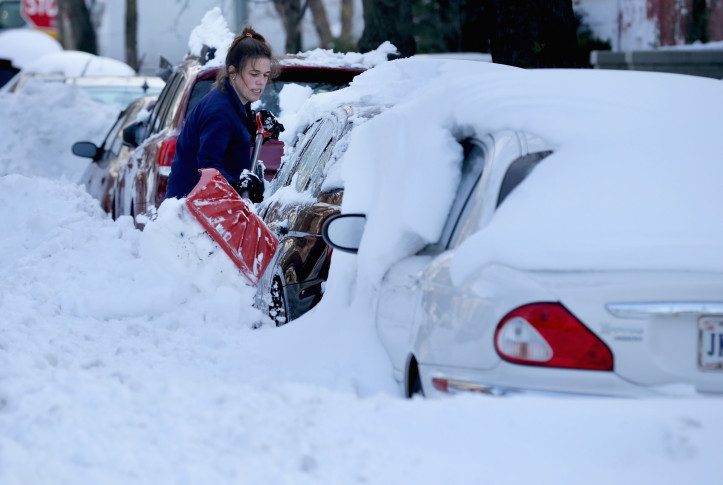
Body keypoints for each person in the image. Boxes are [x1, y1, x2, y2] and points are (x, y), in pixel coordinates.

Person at [165, 27, 281, 203]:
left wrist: (253, 128)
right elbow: (208, 166)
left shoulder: (233, 101)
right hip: (194, 214)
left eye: (265, 75)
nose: (261, 82)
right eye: (254, 74)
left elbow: (228, 140)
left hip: (206, 209)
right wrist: (238, 184)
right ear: (233, 71)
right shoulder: (220, 110)